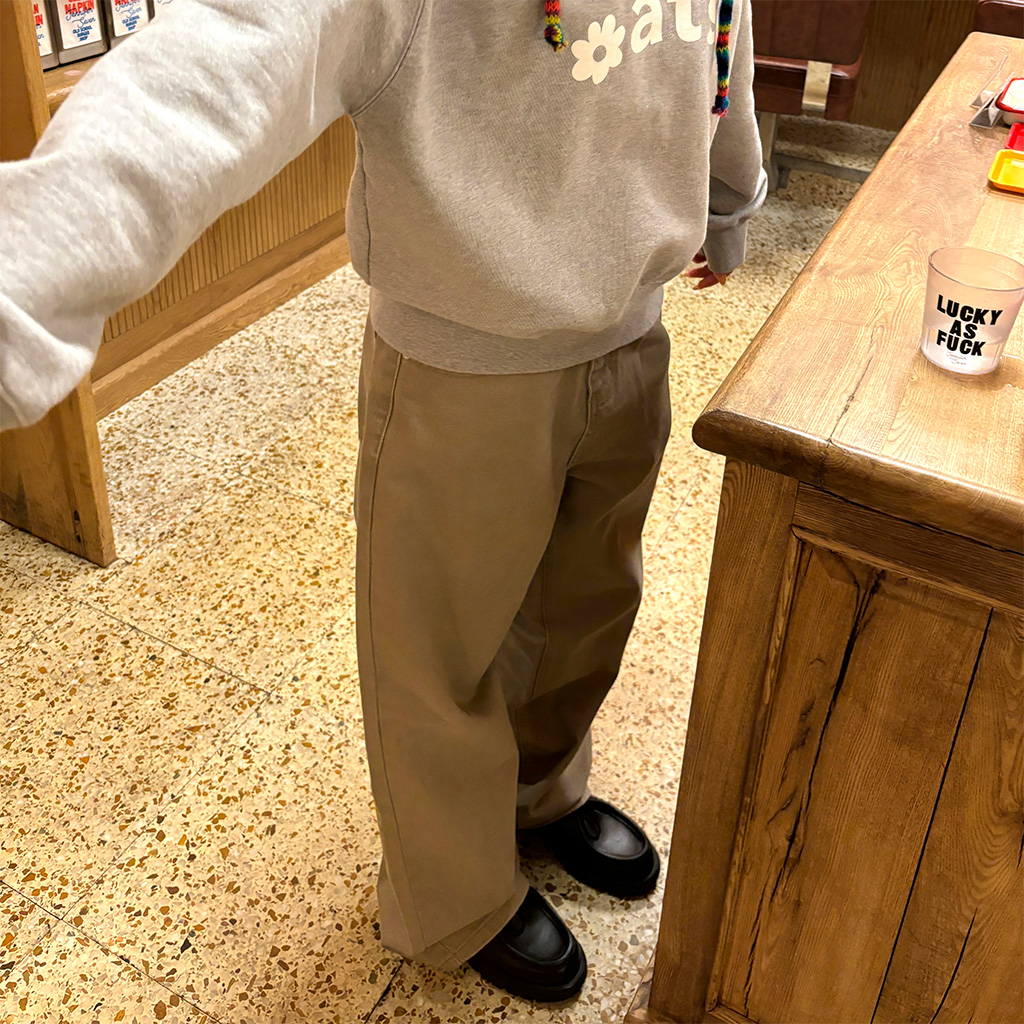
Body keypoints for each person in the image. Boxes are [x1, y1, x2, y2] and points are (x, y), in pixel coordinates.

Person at [0, 0, 765, 1004]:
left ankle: (539, 792)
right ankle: (453, 896)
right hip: (461, 356)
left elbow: (715, 36)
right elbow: (231, 51)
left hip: (630, 326)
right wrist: (24, 273)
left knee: (588, 606)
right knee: (438, 656)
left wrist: (725, 196)